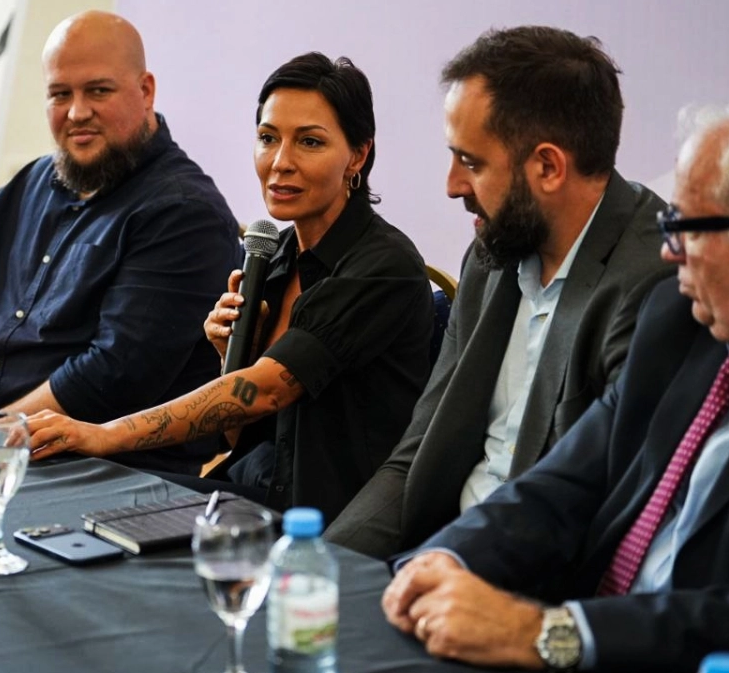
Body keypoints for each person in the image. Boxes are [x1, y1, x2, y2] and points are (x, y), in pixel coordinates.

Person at [381, 106, 729, 672]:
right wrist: (450, 558)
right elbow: (566, 481)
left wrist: (552, 634)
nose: (668, 252)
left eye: (684, 228)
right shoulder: (679, 319)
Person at [25, 52, 434, 522]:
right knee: (65, 486)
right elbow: (244, 431)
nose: (280, 163)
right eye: (267, 138)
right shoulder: (274, 254)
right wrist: (229, 354)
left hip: (324, 520)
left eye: (310, 142)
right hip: (244, 491)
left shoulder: (383, 265)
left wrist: (103, 435)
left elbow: (267, 391)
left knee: (91, 487)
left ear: (358, 155)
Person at [327, 26, 673, 558]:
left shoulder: (655, 284)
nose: (451, 185)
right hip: (435, 563)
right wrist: (330, 569)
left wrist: (433, 574)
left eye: (471, 162)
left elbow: (576, 510)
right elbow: (417, 456)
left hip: (523, 592)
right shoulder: (493, 254)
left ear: (549, 167)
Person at [0, 11, 241, 475]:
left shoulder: (185, 212)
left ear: (145, 91)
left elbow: (111, 375)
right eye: (60, 94)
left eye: (98, 91)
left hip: (95, 469)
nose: (77, 112)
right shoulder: (28, 183)